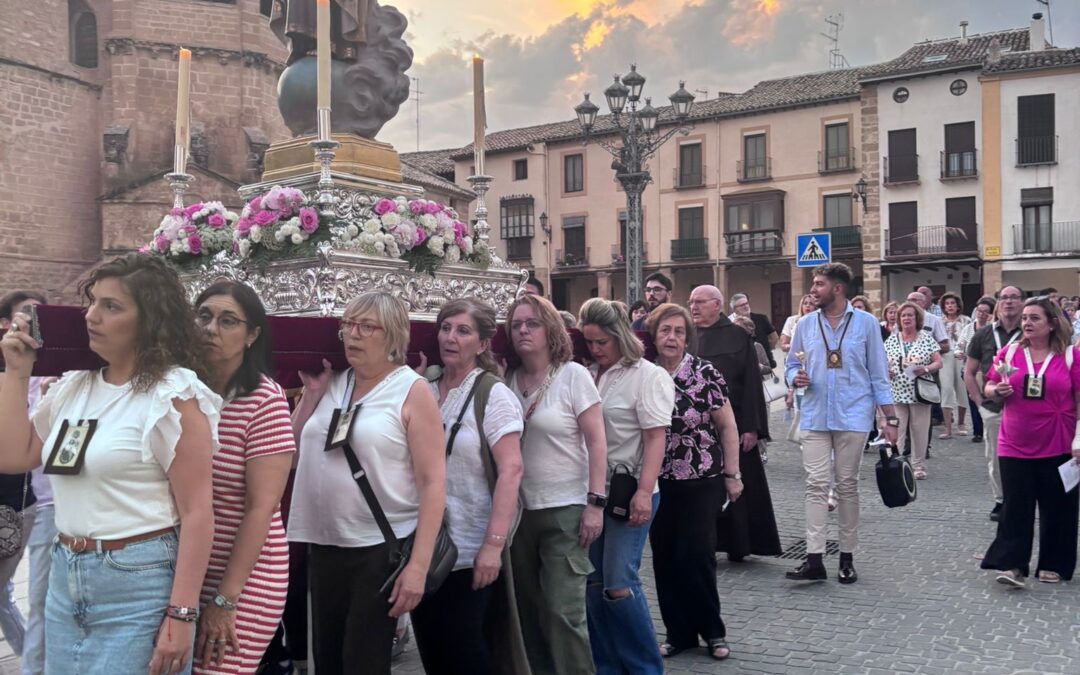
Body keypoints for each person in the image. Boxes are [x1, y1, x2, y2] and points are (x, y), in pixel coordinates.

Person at [0, 253, 220, 674]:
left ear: (149, 320)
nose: (91, 315)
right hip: (65, 575)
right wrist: (15, 372)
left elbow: (197, 512)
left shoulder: (171, 394)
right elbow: (13, 456)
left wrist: (181, 614)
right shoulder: (73, 386)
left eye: (111, 306)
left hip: (137, 580)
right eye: (93, 302)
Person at [288, 291, 445, 675]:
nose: (353, 334)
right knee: (326, 662)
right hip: (324, 545)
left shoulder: (412, 389)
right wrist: (310, 397)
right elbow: (286, 454)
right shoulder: (334, 383)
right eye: (348, 325)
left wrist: (418, 568)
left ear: (391, 336)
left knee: (364, 664)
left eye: (366, 326)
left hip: (378, 550)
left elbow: (433, 482)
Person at [409, 299, 527, 675]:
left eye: (462, 330)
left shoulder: (492, 395)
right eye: (445, 328)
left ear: (481, 343)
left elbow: (511, 470)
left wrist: (492, 547)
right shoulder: (422, 387)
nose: (450, 337)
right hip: (421, 545)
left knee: (466, 651)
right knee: (432, 649)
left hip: (468, 548)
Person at [191, 282, 296, 675]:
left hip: (247, 576)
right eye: (204, 316)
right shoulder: (184, 390)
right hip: (188, 567)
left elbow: (261, 508)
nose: (211, 328)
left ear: (252, 335)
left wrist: (226, 600)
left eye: (227, 321)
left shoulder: (264, 401)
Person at [504, 294, 607, 675]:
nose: (523, 331)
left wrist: (595, 502)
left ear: (550, 329)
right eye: (516, 325)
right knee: (528, 612)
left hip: (565, 508)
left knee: (563, 611)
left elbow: (597, 441)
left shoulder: (572, 375)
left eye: (532, 323)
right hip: (518, 513)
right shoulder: (506, 379)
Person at [784, 263, 898, 583]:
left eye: (819, 284)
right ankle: (814, 558)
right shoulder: (805, 325)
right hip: (815, 414)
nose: (813, 289)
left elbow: (878, 375)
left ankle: (846, 558)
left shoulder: (865, 325)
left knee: (847, 486)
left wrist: (889, 418)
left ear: (837, 288)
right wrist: (796, 376)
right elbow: (791, 365)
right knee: (816, 484)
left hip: (854, 416)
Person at [577, 299, 673, 674]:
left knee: (619, 582)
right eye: (589, 342)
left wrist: (643, 492)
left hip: (628, 490)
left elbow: (655, 439)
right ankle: (605, 664)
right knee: (593, 581)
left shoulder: (648, 376)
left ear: (619, 336)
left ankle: (645, 667)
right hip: (591, 493)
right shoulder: (587, 373)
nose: (596, 349)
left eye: (602, 341)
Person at [645, 303, 741, 662]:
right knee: (665, 557)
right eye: (665, 330)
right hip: (657, 482)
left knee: (697, 555)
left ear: (688, 337)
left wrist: (733, 475)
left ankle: (713, 631)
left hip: (702, 479)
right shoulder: (645, 373)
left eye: (679, 331)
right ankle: (678, 633)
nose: (672, 337)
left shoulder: (704, 373)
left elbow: (727, 426)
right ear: (654, 335)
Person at [981, 297, 1080, 587]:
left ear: (1051, 324)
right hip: (1015, 440)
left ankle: (1054, 563)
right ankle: (1013, 564)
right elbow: (988, 383)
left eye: (1034, 318)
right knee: (1016, 505)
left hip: (1058, 440)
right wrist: (995, 390)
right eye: (1024, 318)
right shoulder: (1010, 352)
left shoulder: (1071, 356)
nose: (1027, 323)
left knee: (1058, 505)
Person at [689, 285, 780, 562]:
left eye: (700, 302)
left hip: (736, 425)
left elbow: (752, 384)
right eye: (691, 302)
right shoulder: (687, 336)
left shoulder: (738, 336)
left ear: (716, 305)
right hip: (697, 428)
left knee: (739, 485)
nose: (693, 307)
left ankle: (739, 544)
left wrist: (753, 427)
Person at [0, 291, 46, 670]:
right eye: (21, 316)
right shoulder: (9, 374)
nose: (29, 324)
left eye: (36, 315)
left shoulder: (58, 374)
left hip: (32, 501)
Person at [964, 287, 1023, 522]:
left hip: (1026, 408)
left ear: (1022, 302)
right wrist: (980, 404)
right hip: (994, 408)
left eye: (1014, 298)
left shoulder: (1030, 333)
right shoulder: (984, 335)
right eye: (1004, 298)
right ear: (998, 304)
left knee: (1027, 458)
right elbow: (969, 372)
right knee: (996, 458)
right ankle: (1001, 500)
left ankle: (1023, 498)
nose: (1008, 302)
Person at [883, 303, 943, 480]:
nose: (907, 319)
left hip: (920, 392)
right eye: (903, 316)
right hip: (897, 390)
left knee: (919, 430)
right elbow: (882, 361)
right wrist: (886, 370)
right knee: (897, 429)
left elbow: (939, 362)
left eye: (910, 315)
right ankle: (896, 463)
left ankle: (918, 466)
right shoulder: (892, 339)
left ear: (917, 318)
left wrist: (924, 369)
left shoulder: (926, 339)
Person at [958, 297, 996, 444]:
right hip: (970, 370)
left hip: (989, 370)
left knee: (990, 399)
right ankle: (978, 431)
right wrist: (958, 353)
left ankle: (990, 429)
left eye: (986, 312)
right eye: (980, 311)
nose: (982, 314)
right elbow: (959, 346)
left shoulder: (994, 329)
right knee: (974, 400)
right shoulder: (968, 328)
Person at [939, 292, 972, 439]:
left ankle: (961, 423)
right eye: (947, 304)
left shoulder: (966, 321)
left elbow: (971, 339)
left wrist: (967, 353)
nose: (950, 306)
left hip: (961, 357)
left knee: (962, 389)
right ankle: (947, 427)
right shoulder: (939, 321)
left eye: (952, 303)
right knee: (946, 390)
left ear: (958, 305)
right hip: (944, 357)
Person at [728, 293, 778, 369]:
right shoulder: (730, 323)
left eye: (746, 303)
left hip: (764, 363)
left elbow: (774, 338)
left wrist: (763, 350)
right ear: (734, 309)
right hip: (743, 365)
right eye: (741, 305)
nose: (745, 306)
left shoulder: (762, 318)